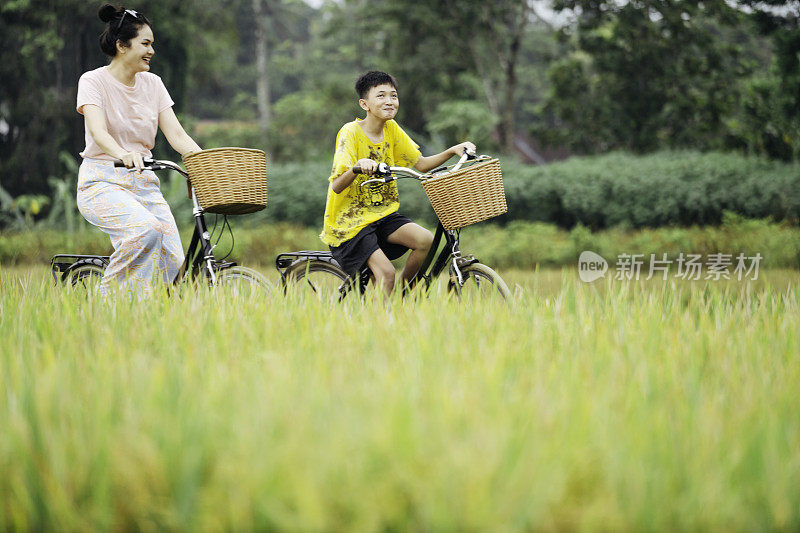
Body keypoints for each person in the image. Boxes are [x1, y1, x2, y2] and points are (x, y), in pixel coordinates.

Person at [76, 4, 202, 296]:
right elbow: (98, 131)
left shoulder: (153, 84)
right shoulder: (93, 81)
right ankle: (108, 307)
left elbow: (177, 134)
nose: (151, 51)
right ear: (122, 45)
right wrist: (123, 154)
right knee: (144, 230)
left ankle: (150, 319)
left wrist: (207, 161)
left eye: (152, 44)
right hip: (102, 182)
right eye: (145, 44)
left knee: (174, 264)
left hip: (144, 183)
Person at [320, 71, 475, 295]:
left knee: (425, 240)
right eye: (381, 96)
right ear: (365, 104)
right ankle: (382, 325)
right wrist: (357, 167)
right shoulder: (350, 132)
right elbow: (336, 185)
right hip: (350, 224)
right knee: (386, 274)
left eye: (393, 96)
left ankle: (399, 298)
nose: (389, 101)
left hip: (382, 216)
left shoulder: (391, 128)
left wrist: (452, 150)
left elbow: (420, 164)